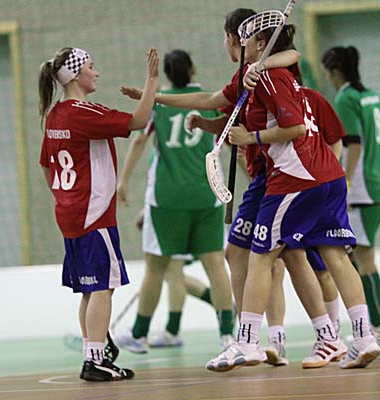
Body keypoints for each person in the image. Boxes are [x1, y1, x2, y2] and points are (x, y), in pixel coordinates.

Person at [121, 8, 304, 367]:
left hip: (272, 178)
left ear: (240, 40)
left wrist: (153, 100)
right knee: (232, 257)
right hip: (234, 186)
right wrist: (159, 99)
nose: (224, 43)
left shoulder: (268, 74)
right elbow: (214, 107)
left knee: (284, 261)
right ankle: (239, 336)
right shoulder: (243, 79)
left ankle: (303, 337)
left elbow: (291, 61)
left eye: (226, 37)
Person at [205, 20, 380, 372]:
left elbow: (296, 127)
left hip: (295, 178)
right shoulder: (281, 76)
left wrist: (250, 138)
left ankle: (248, 343)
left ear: (260, 43)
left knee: (260, 257)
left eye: (245, 39)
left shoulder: (269, 78)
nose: (239, 44)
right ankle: (362, 338)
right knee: (335, 257)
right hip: (328, 176)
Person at [38, 46, 158, 381]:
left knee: (90, 289)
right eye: (91, 66)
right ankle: (95, 359)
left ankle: (95, 352)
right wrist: (151, 81)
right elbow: (138, 121)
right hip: (93, 213)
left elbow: (47, 166)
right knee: (103, 287)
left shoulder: (56, 115)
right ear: (76, 75)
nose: (97, 72)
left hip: (70, 212)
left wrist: (64, 198)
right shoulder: (81, 113)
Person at [114, 49, 235, 354]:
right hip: (207, 194)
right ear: (193, 69)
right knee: (215, 265)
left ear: (167, 75)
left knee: (156, 268)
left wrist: (123, 180)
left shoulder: (159, 103)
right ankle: (227, 335)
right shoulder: (211, 100)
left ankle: (139, 334)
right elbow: (231, 142)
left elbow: (139, 140)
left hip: (167, 197)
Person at [321, 45, 380, 336]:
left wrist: (344, 184)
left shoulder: (345, 98)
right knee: (358, 254)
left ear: (335, 71)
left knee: (361, 257)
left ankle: (378, 326)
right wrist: (379, 172)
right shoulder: (372, 96)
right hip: (378, 185)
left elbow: (353, 144)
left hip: (362, 191)